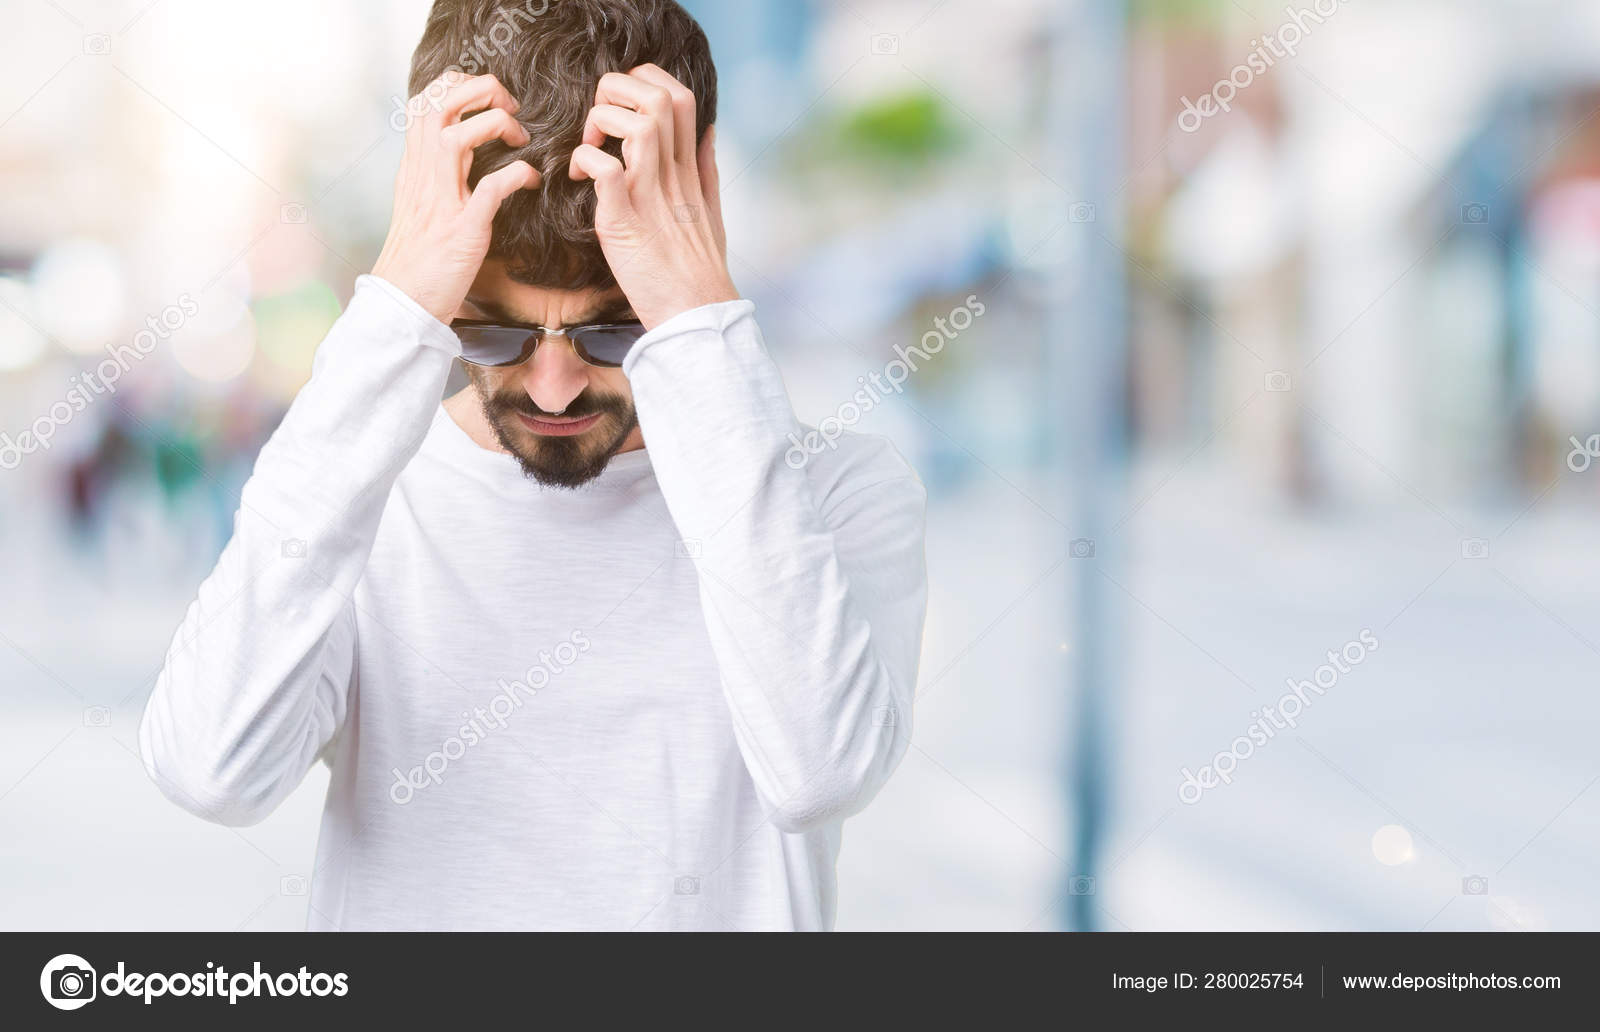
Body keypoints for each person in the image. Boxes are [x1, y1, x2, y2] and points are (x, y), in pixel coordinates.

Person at [139, 0, 927, 931]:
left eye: (613, 328)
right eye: (492, 328)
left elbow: (820, 773)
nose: (553, 388)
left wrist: (703, 326)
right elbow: (211, 770)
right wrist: (390, 314)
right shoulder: (366, 489)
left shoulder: (839, 494)